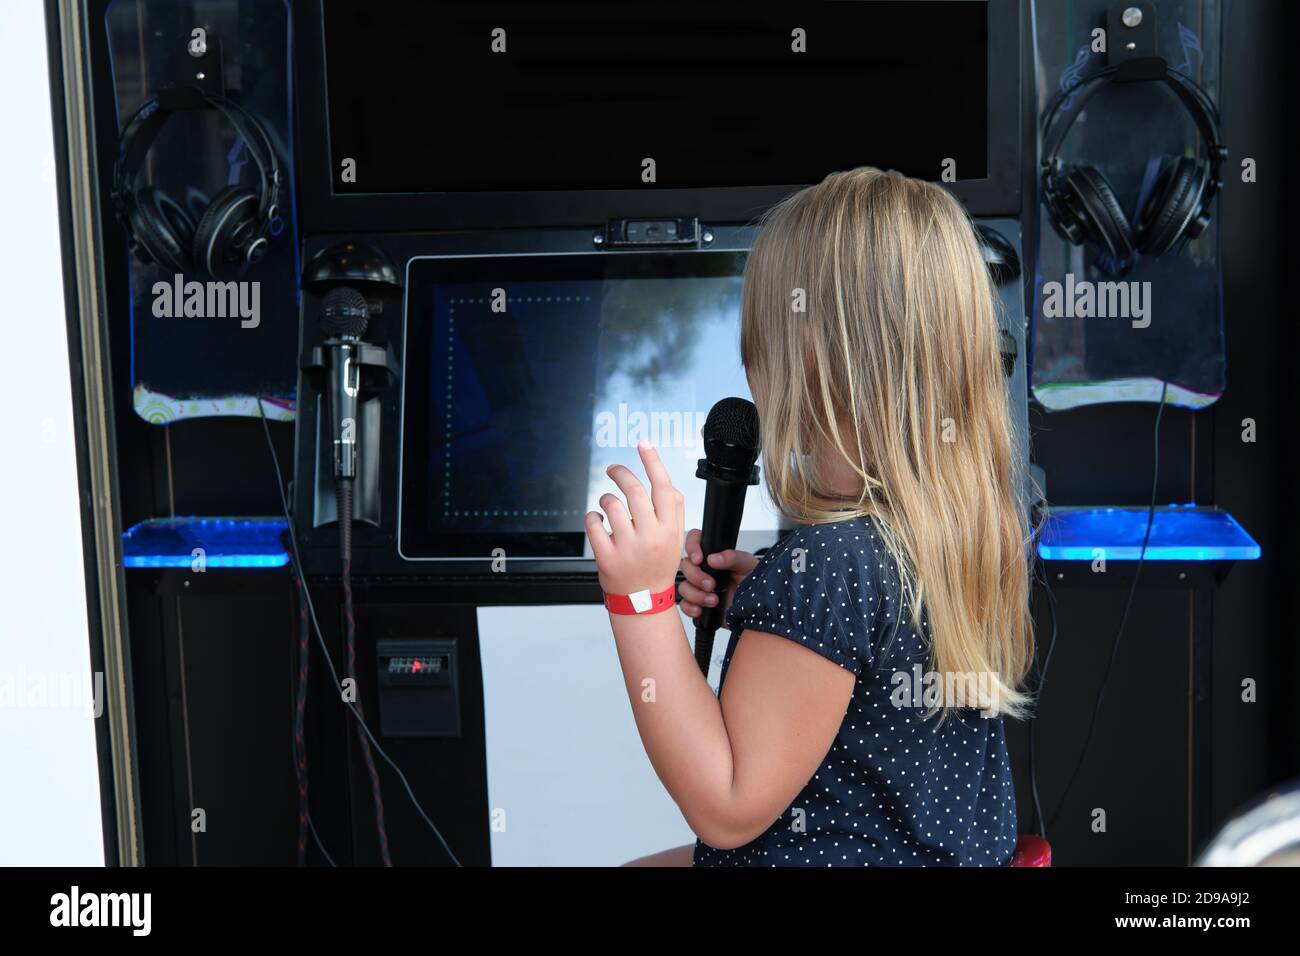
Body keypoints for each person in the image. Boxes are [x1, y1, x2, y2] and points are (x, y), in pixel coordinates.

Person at [588, 167, 1033, 867]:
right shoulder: (967, 532)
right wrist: (764, 600)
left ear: (811, 361)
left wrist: (637, 600)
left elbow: (726, 805)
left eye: (758, 350)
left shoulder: (828, 568)